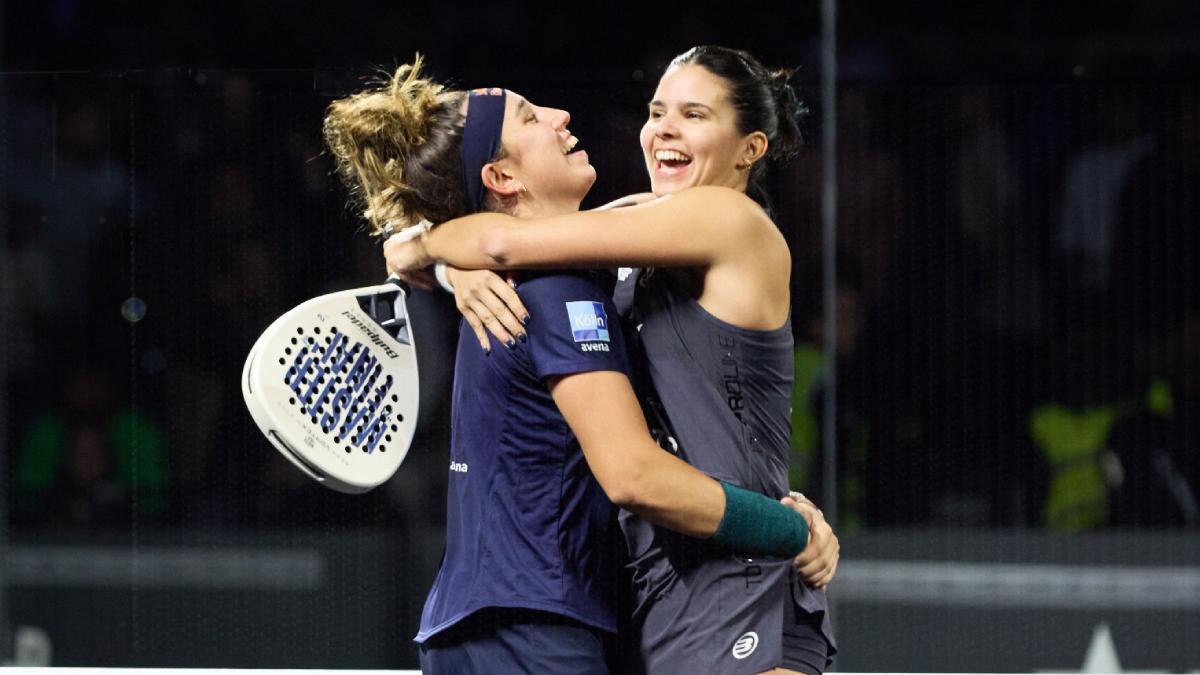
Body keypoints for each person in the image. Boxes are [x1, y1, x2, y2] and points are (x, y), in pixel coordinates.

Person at [325, 55, 835, 675]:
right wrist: (443, 264)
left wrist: (431, 249)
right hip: (658, 587)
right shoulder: (624, 233)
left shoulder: (726, 219)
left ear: (750, 148)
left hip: (742, 571)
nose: (664, 129)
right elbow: (499, 238)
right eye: (656, 113)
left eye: (694, 115)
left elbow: (502, 240)